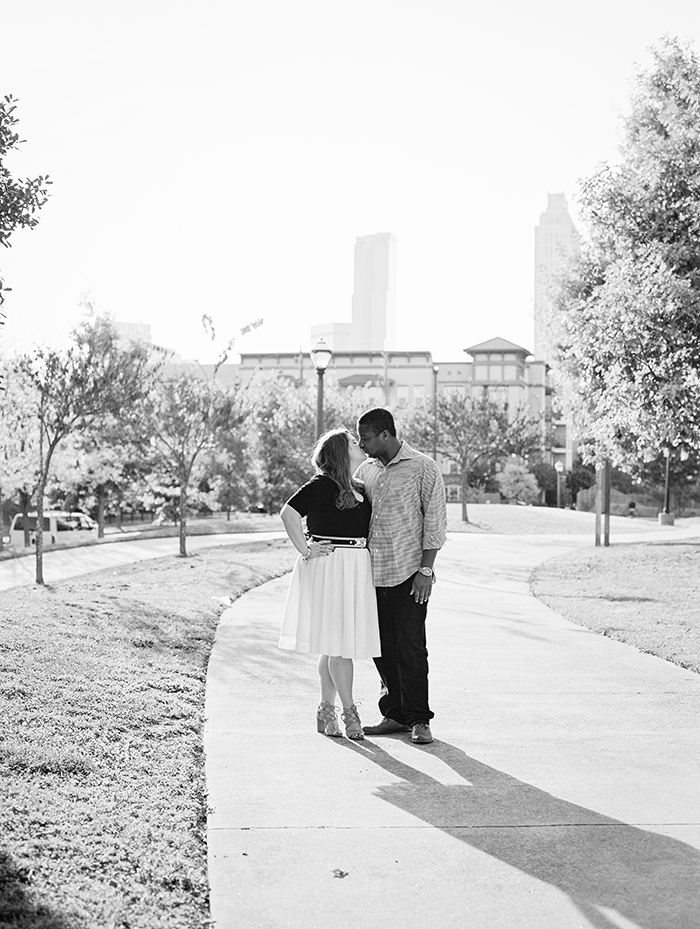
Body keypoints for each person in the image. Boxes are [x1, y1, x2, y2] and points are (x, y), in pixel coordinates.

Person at [278, 428, 380, 740]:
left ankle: (325, 710)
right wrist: (306, 549)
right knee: (341, 645)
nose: (359, 444)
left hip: (355, 565)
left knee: (335, 644)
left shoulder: (358, 485)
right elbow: (288, 513)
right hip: (330, 565)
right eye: (352, 441)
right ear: (339, 450)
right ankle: (349, 713)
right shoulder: (323, 483)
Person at [354, 408, 447, 745]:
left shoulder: (423, 467)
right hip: (371, 575)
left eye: (365, 438)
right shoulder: (365, 471)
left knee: (410, 648)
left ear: (385, 434)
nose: (361, 444)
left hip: (409, 573)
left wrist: (426, 569)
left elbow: (435, 523)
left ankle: (420, 720)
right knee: (380, 648)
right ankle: (394, 713)